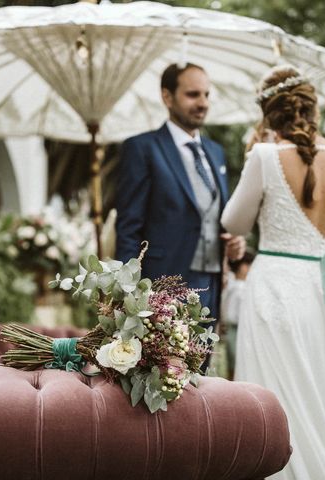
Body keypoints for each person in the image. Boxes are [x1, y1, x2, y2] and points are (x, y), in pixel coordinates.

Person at [221, 65, 325, 479]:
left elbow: (233, 223)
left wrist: (253, 158)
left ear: (267, 115)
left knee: (279, 393)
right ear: (314, 109)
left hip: (278, 289)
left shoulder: (264, 156)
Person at [115, 63, 245, 370]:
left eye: (206, 94)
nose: (202, 102)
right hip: (162, 283)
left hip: (210, 284)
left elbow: (213, 216)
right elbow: (128, 227)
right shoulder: (142, 148)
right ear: (167, 96)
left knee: (199, 371)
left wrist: (232, 244)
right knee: (162, 375)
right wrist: (124, 295)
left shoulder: (215, 152)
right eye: (192, 94)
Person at [220, 250, 255, 379]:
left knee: (234, 359)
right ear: (243, 267)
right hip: (235, 327)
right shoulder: (239, 287)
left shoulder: (234, 285)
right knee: (234, 358)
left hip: (236, 327)